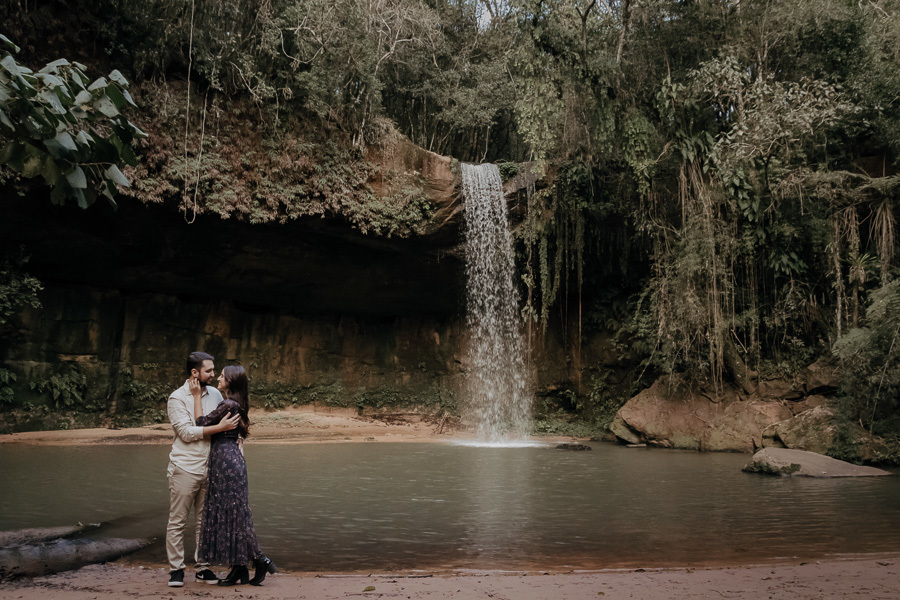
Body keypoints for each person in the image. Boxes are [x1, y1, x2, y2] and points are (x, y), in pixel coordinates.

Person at [192, 365, 276, 586]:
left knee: (234, 516)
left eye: (222, 375)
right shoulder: (236, 404)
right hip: (228, 462)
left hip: (226, 463)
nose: (218, 378)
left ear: (231, 381)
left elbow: (200, 423)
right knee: (234, 516)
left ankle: (260, 560)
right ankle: (240, 567)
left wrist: (196, 396)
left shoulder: (228, 404)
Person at [165, 351, 240, 588]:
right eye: (209, 370)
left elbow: (227, 425)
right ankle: (176, 570)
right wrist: (219, 428)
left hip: (211, 467)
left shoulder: (216, 394)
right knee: (177, 521)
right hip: (185, 467)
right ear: (194, 372)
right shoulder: (177, 398)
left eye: (214, 370)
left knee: (204, 522)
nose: (213, 374)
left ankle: (202, 567)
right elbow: (187, 433)